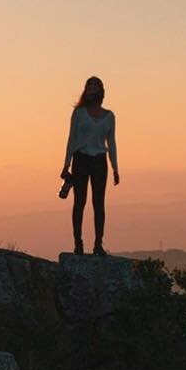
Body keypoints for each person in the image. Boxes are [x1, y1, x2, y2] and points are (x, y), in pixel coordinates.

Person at [62, 75, 120, 255]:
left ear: (101, 91)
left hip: (99, 161)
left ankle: (98, 244)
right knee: (79, 202)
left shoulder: (109, 116)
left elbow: (111, 142)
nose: (92, 88)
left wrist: (115, 168)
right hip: (81, 159)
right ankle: (78, 244)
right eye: (89, 86)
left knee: (98, 204)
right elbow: (71, 138)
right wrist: (66, 164)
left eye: (95, 86)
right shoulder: (79, 113)